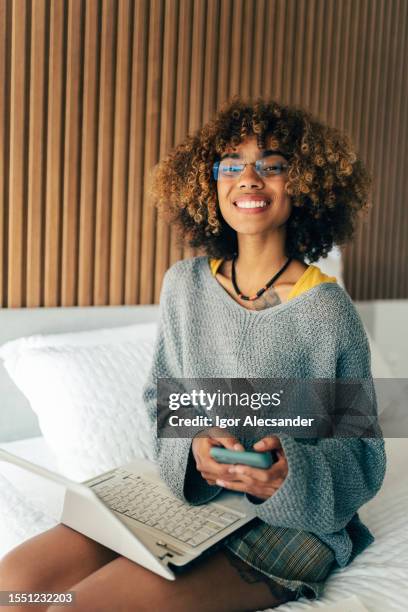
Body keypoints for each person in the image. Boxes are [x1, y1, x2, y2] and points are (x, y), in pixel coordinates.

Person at [0, 96, 386, 612]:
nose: (249, 178)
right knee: (17, 587)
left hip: (285, 520)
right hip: (187, 497)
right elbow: (165, 402)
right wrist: (194, 443)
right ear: (210, 184)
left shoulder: (328, 311)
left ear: (304, 185)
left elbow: (361, 453)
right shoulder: (183, 286)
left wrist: (287, 474)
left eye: (272, 165)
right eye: (232, 165)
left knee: (78, 606)